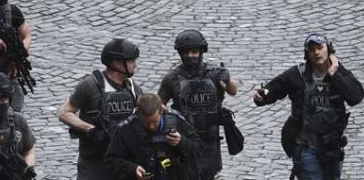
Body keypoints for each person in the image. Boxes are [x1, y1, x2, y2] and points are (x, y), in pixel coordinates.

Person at [255, 34, 364, 180]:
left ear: (328, 49)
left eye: (320, 48)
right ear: (307, 53)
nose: (316, 53)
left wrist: (334, 74)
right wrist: (262, 97)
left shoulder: (339, 72)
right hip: (306, 146)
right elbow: (274, 88)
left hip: (332, 146)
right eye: (312, 49)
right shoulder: (297, 74)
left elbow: (356, 97)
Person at [157, 30, 238, 180]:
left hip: (210, 142)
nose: (190, 56)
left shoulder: (214, 74)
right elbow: (158, 106)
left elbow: (233, 91)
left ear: (201, 52)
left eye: (194, 52)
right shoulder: (171, 78)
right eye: (186, 52)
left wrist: (227, 80)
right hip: (184, 140)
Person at [59, 39, 143, 180]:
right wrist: (90, 129)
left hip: (123, 160)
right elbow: (65, 113)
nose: (135, 65)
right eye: (131, 61)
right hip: (95, 160)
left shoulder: (132, 88)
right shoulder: (90, 85)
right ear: (117, 63)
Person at [105, 93, 201, 180]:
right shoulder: (125, 130)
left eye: (154, 122)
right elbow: (111, 160)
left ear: (161, 111)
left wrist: (182, 141)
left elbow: (198, 148)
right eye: (146, 123)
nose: (151, 126)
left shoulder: (177, 122)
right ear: (139, 115)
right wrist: (132, 169)